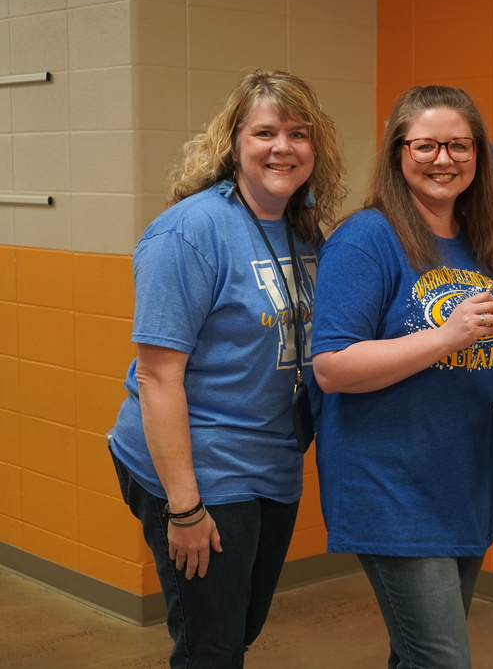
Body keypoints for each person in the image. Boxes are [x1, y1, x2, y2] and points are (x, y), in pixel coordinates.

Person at [107, 69, 347, 668]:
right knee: (210, 650)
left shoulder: (304, 230)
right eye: (265, 131)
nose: (282, 147)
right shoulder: (190, 232)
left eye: (299, 132)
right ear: (234, 140)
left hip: (272, 460)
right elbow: (158, 376)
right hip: (199, 466)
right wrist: (184, 509)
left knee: (239, 628)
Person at [311, 85, 493, 669]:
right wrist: (448, 335)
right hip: (391, 485)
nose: (443, 159)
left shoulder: (481, 244)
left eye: (458, 145)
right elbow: (331, 366)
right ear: (398, 152)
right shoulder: (366, 238)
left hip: (463, 481)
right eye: (425, 145)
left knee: (415, 656)